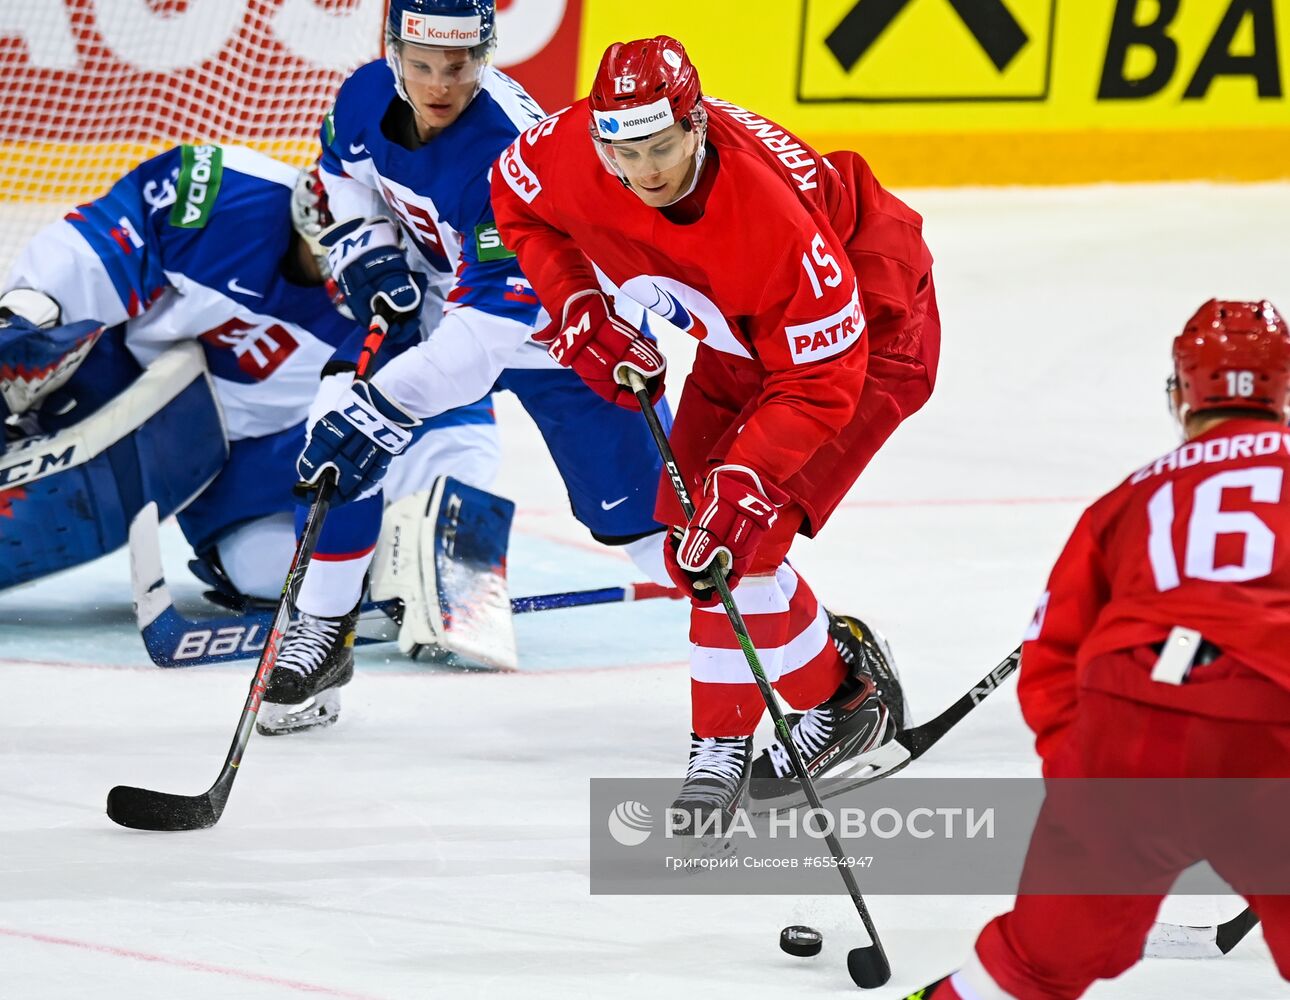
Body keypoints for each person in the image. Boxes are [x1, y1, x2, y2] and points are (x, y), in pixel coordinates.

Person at [489, 35, 937, 819]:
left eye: (663, 147)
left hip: (863, 343)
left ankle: (734, 748)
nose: (646, 171)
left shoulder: (771, 220)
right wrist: (580, 306)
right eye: (626, 152)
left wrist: (746, 479)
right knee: (692, 541)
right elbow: (518, 203)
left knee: (738, 541)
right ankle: (841, 692)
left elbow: (822, 380)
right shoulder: (569, 152)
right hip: (744, 339)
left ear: (695, 124)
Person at [286, 0, 676, 731]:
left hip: (573, 336)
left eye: (459, 65)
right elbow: (342, 174)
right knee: (337, 423)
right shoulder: (365, 94)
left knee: (661, 538)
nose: (440, 85)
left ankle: (816, 659)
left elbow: (483, 342)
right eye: (422, 64)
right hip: (453, 304)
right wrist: (366, 246)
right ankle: (322, 631)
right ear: (393, 52)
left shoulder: (511, 154)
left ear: (486, 56)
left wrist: (384, 408)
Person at [908, 300, 1290, 999]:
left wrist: (1090, 783)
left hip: (1128, 731)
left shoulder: (1128, 499)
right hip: (1270, 728)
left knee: (1032, 966)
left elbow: (1050, 653)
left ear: (1183, 393)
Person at [0, 144, 497, 647]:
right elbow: (99, 242)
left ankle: (392, 568)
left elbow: (454, 408)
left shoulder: (412, 294)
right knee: (31, 326)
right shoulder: (224, 192)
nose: (346, 287)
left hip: (257, 453)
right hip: (114, 378)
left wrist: (456, 537)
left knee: (267, 571)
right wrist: (27, 315)